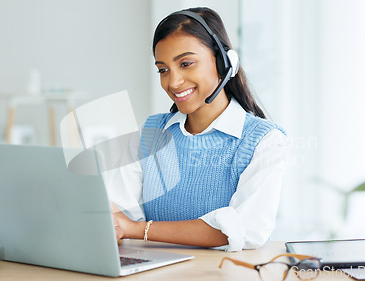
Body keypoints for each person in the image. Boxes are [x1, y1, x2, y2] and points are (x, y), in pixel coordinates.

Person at [105, 7, 288, 252]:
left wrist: (138, 229)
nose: (173, 82)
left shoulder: (264, 141)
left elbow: (244, 230)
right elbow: (116, 213)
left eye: (186, 63)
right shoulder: (151, 133)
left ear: (224, 63)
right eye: (163, 69)